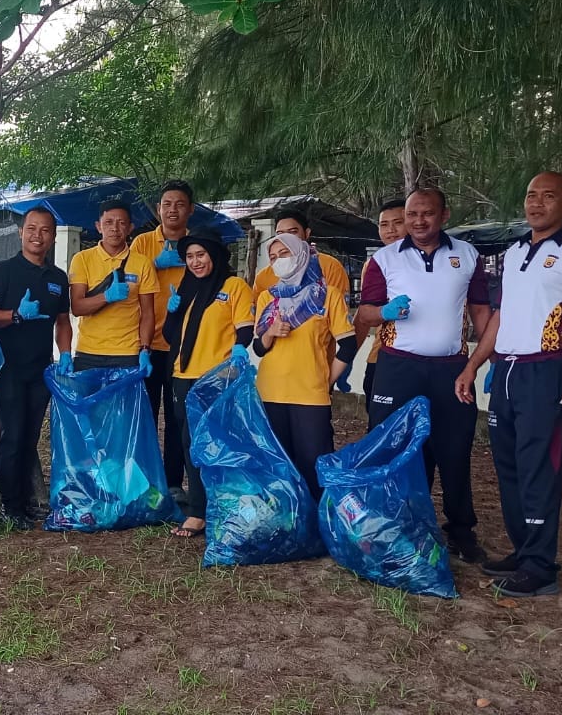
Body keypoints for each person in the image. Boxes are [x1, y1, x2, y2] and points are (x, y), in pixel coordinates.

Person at [455, 172, 562, 597]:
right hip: (509, 370)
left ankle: (541, 566)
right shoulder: (516, 252)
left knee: (540, 465)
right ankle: (524, 551)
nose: (537, 203)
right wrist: (473, 365)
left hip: (549, 370)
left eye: (548, 196)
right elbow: (499, 317)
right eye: (531, 195)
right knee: (510, 464)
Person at [354, 188, 490, 564]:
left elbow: (482, 315)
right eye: (412, 214)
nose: (417, 221)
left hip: (452, 370)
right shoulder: (384, 260)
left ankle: (462, 531)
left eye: (426, 214)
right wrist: (384, 312)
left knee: (454, 451)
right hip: (398, 368)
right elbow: (363, 315)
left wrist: (482, 362)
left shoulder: (467, 255)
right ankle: (393, 527)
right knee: (392, 449)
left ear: (443, 215)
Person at [0, 207, 73, 530]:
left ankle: (24, 500)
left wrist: (66, 354)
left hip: (41, 371)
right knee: (13, 435)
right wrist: (15, 316)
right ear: (21, 233)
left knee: (30, 437)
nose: (37, 235)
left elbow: (63, 322)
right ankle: (10, 505)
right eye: (31, 228)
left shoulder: (58, 280)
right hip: (8, 369)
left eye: (45, 230)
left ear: (53, 237)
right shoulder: (2, 272)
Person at [162, 227, 254, 537]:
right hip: (182, 377)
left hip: (215, 379)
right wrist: (172, 312)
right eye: (189, 256)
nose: (195, 262)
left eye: (200, 255)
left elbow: (245, 327)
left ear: (214, 255)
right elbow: (170, 336)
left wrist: (241, 346)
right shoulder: (185, 288)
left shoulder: (233, 285)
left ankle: (214, 508)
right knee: (190, 444)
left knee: (216, 443)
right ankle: (201, 507)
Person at [252, 233, 357, 503]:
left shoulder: (327, 295)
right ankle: (287, 524)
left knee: (314, 463)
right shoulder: (268, 299)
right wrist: (270, 332)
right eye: (273, 258)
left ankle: (319, 526)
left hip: (310, 395)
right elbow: (259, 348)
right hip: (270, 391)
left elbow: (347, 345)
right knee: (279, 464)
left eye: (284, 254)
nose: (278, 262)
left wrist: (326, 381)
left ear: (299, 254)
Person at [131, 180, 193, 499]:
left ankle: (172, 483)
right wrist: (156, 264)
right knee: (144, 415)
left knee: (177, 417)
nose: (172, 209)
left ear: (190, 210)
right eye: (167, 204)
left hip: (183, 348)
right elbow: (128, 279)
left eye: (179, 204)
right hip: (146, 345)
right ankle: (144, 482)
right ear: (158, 210)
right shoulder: (142, 244)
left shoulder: (196, 247)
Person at [68, 200, 159, 372]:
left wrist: (145, 349)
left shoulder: (142, 263)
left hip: (128, 353)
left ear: (130, 228)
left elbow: (148, 313)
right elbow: (77, 307)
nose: (115, 228)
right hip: (88, 352)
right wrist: (107, 296)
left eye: (121, 223)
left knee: (124, 400)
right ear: (98, 226)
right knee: (92, 400)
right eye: (108, 222)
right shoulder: (82, 259)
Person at [355, 199, 408, 412]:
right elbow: (364, 314)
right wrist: (349, 356)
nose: (391, 230)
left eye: (398, 223)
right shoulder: (376, 262)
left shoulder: (440, 259)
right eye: (384, 225)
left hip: (425, 361)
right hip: (381, 355)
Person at [251, 209, 350, 299]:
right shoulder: (263, 277)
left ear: (307, 233)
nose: (286, 238)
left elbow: (339, 308)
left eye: (293, 232)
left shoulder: (330, 266)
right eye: (280, 234)